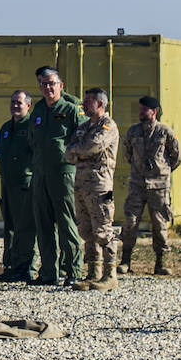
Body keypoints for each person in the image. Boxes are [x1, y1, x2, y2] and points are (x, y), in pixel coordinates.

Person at [27, 66, 84, 286]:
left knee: (66, 222)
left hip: (63, 174)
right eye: (43, 84)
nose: (47, 87)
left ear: (60, 85)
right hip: (40, 173)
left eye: (51, 83)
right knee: (43, 224)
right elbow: (32, 140)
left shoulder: (71, 110)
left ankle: (73, 271)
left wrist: (65, 157)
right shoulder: (39, 110)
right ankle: (49, 272)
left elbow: (81, 140)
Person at [119, 95, 181, 276]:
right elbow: (127, 153)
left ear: (153, 112)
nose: (140, 112)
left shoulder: (165, 132)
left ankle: (161, 262)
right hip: (137, 185)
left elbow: (176, 157)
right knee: (130, 222)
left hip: (159, 187)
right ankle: (125, 261)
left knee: (160, 225)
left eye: (144, 109)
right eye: (140, 109)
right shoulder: (133, 132)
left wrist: (163, 171)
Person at [64, 88, 120, 291]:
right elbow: (68, 151)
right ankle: (93, 273)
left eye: (89, 101)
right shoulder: (85, 127)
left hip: (99, 185)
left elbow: (91, 147)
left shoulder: (108, 125)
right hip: (81, 184)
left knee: (103, 229)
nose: (84, 104)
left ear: (100, 104)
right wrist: (78, 151)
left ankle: (110, 275)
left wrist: (78, 151)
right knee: (86, 230)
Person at [0, 90, 36, 282]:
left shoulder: (31, 126)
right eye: (12, 102)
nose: (14, 105)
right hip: (8, 182)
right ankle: (10, 265)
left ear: (28, 105)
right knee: (9, 226)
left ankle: (27, 265)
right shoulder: (5, 127)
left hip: (24, 183)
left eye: (19, 103)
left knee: (25, 227)